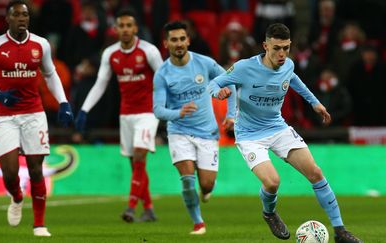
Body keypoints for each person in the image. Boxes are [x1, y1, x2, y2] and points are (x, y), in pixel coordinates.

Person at [208, 23, 363, 243]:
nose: (282, 54)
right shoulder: (244, 67)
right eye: (276, 48)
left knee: (316, 173)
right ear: (265, 46)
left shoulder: (287, 65)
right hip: (250, 135)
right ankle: (269, 213)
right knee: (272, 183)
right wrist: (219, 92)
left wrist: (315, 103)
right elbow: (213, 83)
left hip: (277, 127)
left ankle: (340, 231)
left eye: (286, 48)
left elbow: (294, 80)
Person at [0, 0, 73, 237]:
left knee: (36, 169)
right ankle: (17, 196)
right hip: (6, 116)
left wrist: (63, 102)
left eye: (25, 15)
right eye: (17, 15)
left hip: (34, 113)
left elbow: (50, 74)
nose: (22, 19)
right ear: (7, 19)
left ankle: (39, 224)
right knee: (9, 173)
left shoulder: (41, 45)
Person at [74, 8, 163, 223]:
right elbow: (100, 84)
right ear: (115, 29)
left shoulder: (149, 51)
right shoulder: (110, 54)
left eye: (129, 26)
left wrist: (166, 108)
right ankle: (149, 209)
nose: (125, 29)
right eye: (121, 26)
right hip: (126, 114)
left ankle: (131, 208)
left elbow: (164, 79)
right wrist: (84, 110)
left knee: (140, 156)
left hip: (147, 112)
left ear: (135, 28)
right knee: (136, 165)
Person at [153, 21, 236, 235]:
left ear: (188, 40)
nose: (178, 43)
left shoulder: (204, 63)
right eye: (174, 40)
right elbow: (158, 110)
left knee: (206, 184)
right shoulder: (162, 74)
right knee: (188, 180)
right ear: (166, 43)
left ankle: (206, 190)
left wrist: (230, 115)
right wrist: (178, 113)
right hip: (179, 132)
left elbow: (231, 82)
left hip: (207, 133)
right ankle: (198, 223)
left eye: (182, 39)